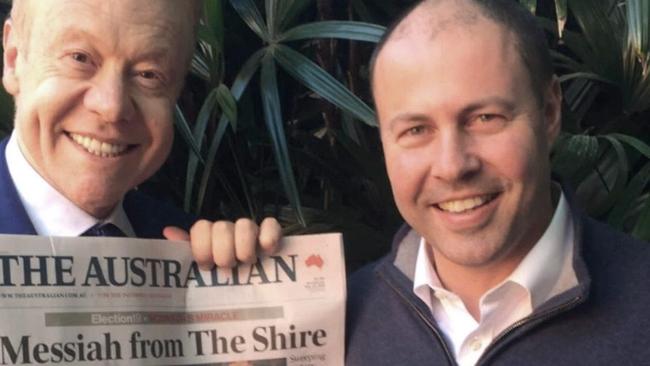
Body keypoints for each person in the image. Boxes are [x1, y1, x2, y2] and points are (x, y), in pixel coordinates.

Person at [346, 0, 650, 365]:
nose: (453, 165)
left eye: (484, 118)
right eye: (416, 130)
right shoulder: (341, 323)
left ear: (550, 113)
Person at [0, 0, 281, 269]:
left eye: (148, 74)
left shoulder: (189, 250)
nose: (112, 106)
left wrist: (247, 288)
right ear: (13, 59)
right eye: (80, 58)